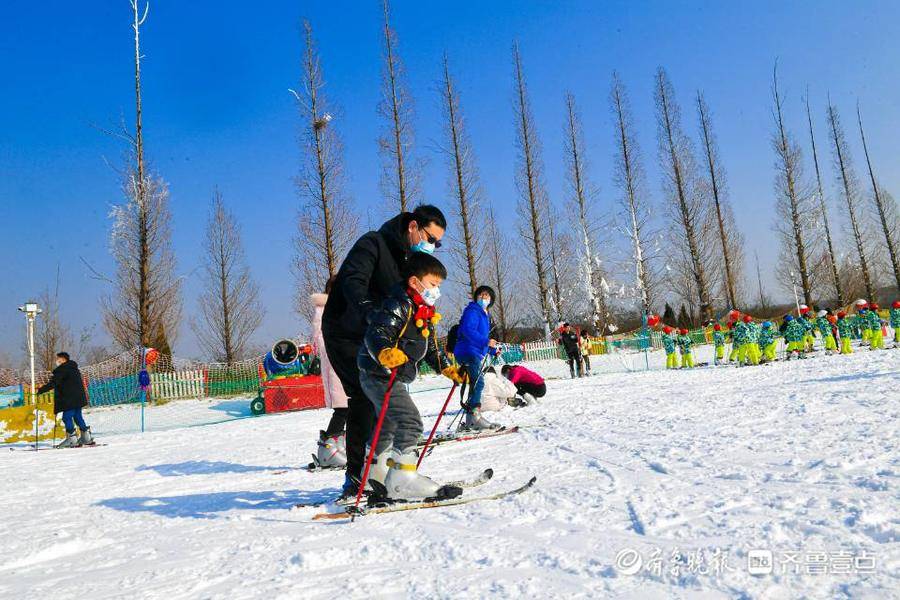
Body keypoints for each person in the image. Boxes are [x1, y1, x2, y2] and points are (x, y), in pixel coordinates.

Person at [321, 204, 447, 499]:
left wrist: (439, 360)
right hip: (348, 331)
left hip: (378, 336)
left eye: (437, 243)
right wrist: (369, 313)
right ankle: (357, 479)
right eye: (430, 238)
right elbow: (352, 281)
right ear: (413, 226)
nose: (432, 246)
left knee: (386, 402)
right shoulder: (373, 243)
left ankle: (379, 470)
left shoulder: (412, 260)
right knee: (365, 399)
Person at [357, 252, 464, 501]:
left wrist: (447, 368)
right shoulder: (399, 303)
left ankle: (375, 472)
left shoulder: (424, 310)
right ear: (415, 282)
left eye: (439, 286)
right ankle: (402, 481)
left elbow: (431, 349)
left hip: (387, 375)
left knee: (389, 423)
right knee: (410, 421)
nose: (436, 290)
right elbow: (378, 331)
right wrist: (384, 352)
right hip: (379, 372)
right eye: (433, 284)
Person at [309, 277, 349, 469]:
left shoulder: (341, 309)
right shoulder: (323, 311)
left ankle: (340, 444)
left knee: (352, 407)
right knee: (343, 408)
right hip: (336, 365)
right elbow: (322, 341)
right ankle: (328, 450)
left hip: (346, 364)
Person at [452, 285, 501, 430]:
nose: (483, 298)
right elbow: (468, 331)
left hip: (473, 351)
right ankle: (475, 417)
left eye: (487, 296)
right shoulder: (473, 311)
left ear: (491, 299)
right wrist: (486, 342)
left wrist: (491, 350)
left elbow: (481, 337)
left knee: (475, 384)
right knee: (479, 383)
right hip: (467, 351)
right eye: (481, 295)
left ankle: (470, 420)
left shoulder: (484, 314)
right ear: (476, 297)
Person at [36, 352, 93, 448]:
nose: (56, 361)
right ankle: (86, 438)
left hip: (69, 398)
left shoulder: (62, 369)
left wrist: (41, 390)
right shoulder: (74, 368)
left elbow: (54, 383)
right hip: (78, 397)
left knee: (66, 417)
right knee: (77, 416)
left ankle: (72, 439)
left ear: (63, 359)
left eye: (57, 359)